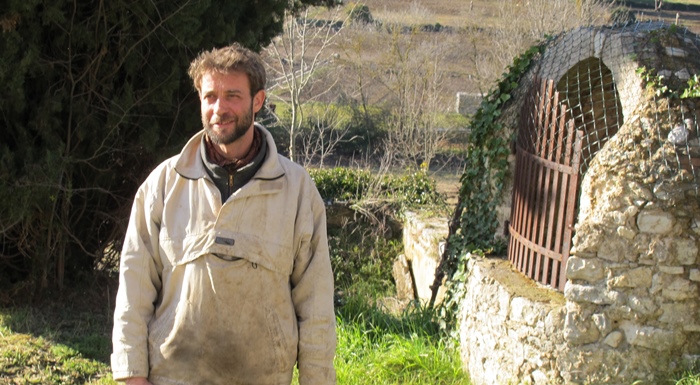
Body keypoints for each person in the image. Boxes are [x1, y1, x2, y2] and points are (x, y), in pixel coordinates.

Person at [111, 43, 336, 385]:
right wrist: (132, 375)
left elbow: (316, 302)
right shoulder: (164, 185)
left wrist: (316, 379)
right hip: (174, 377)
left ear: (257, 101)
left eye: (233, 95)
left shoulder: (297, 191)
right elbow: (133, 288)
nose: (219, 108)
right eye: (210, 96)